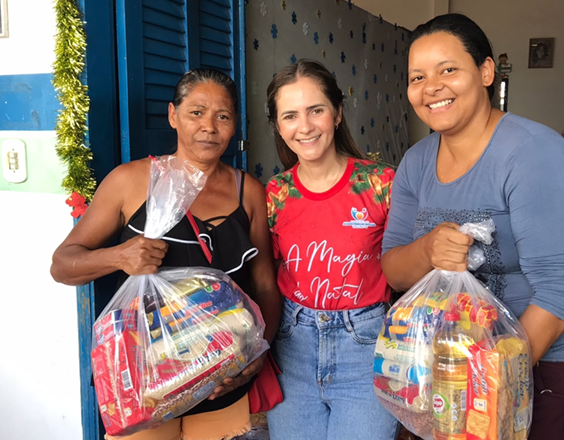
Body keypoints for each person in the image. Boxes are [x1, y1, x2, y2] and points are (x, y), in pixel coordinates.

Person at [381, 14, 564, 440]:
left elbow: (561, 292)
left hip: (539, 364)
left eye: (448, 70)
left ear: (485, 72)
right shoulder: (416, 162)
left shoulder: (534, 153)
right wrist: (426, 250)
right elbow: (394, 272)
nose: (431, 87)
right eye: (417, 77)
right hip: (444, 366)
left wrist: (486, 384)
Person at [50, 68, 281, 440]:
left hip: (222, 381)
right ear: (173, 115)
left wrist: (258, 354)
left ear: (234, 124)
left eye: (222, 116)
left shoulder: (249, 192)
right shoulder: (130, 181)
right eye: (196, 113)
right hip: (143, 386)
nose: (209, 127)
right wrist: (119, 257)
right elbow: (62, 265)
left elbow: (266, 286)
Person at [264, 59, 398, 440]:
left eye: (316, 110)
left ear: (337, 113)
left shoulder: (381, 184)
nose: (304, 126)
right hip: (292, 347)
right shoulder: (275, 194)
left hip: (366, 347)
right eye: (290, 116)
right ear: (278, 126)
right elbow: (264, 277)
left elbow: (407, 268)